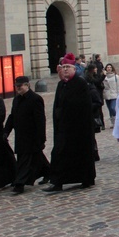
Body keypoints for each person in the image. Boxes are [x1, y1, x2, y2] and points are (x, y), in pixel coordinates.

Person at [43, 53, 96, 192]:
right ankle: (57, 182)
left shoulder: (80, 83)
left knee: (81, 154)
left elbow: (84, 105)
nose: (65, 69)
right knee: (59, 153)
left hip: (78, 128)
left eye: (68, 67)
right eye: (63, 67)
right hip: (63, 127)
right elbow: (57, 104)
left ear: (74, 69)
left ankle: (86, 179)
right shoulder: (61, 84)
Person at [3, 76, 50, 195]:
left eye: (20, 86)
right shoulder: (17, 99)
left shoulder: (35, 99)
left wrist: (41, 138)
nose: (18, 88)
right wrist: (6, 131)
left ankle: (20, 183)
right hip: (21, 135)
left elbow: (40, 120)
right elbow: (12, 117)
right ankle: (49, 172)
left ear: (27, 85)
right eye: (16, 86)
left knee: (24, 160)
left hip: (32, 136)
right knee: (37, 157)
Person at [102, 63, 119, 128]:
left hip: (114, 94)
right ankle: (112, 122)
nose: (109, 68)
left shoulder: (116, 76)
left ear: (112, 68)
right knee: (109, 109)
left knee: (113, 108)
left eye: (110, 67)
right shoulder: (104, 77)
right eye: (107, 67)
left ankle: (116, 120)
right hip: (107, 95)